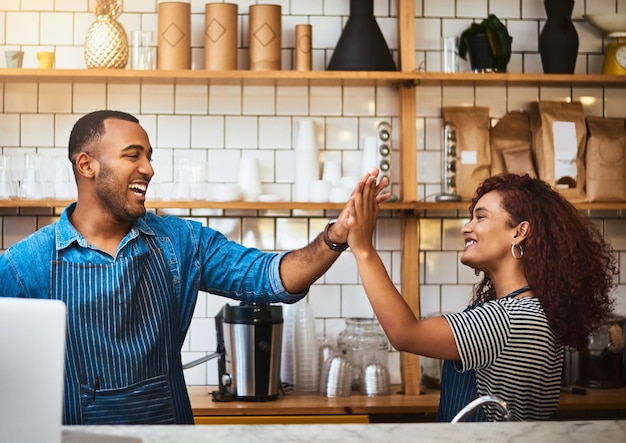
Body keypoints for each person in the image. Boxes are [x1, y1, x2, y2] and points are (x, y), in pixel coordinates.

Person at [0, 110, 390, 425]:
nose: (148, 169)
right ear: (87, 165)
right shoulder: (26, 264)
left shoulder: (182, 242)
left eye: (149, 157)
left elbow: (270, 277)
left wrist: (336, 236)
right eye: (133, 155)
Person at [347, 173, 617, 421]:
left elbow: (405, 333)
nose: (467, 227)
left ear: (519, 232)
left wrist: (363, 249)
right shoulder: (535, 310)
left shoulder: (509, 319)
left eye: (481, 217)